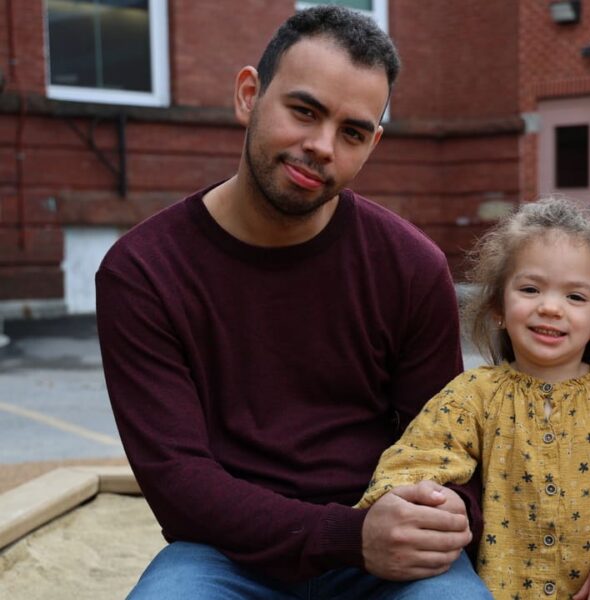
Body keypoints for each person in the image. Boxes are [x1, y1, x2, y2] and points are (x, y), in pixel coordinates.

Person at [95, 6, 491, 598]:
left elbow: (445, 450)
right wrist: (347, 536)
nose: (321, 146)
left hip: (381, 546)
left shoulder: (411, 268)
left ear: (372, 144)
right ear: (249, 95)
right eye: (304, 111)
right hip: (225, 554)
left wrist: (439, 514)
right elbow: (179, 484)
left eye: (352, 132)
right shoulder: (144, 273)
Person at [355, 198, 590, 599]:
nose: (550, 308)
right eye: (530, 289)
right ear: (498, 306)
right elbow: (417, 459)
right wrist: (414, 501)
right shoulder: (472, 396)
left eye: (576, 297)